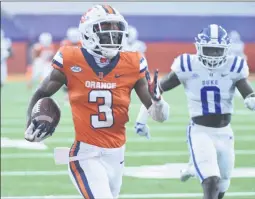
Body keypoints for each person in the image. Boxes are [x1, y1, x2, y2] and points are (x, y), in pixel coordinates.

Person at [24, 4, 169, 199]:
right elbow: (42, 92)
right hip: (85, 154)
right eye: (106, 31)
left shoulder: (133, 63)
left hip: (117, 156)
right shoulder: (71, 58)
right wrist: (30, 124)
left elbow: (160, 117)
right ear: (88, 33)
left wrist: (157, 100)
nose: (113, 36)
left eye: (116, 31)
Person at [135, 24, 255, 199]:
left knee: (223, 182)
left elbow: (247, 90)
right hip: (200, 131)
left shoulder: (234, 66)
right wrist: (142, 118)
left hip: (225, 132)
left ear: (226, 49)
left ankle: (194, 166)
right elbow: (157, 91)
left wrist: (251, 98)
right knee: (211, 180)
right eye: (209, 49)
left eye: (217, 50)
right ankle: (196, 165)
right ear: (199, 47)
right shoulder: (188, 65)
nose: (213, 55)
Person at [60, 27, 82, 105]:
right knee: (67, 82)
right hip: (69, 65)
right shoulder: (65, 44)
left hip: (80, 65)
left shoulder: (82, 43)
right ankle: (67, 97)